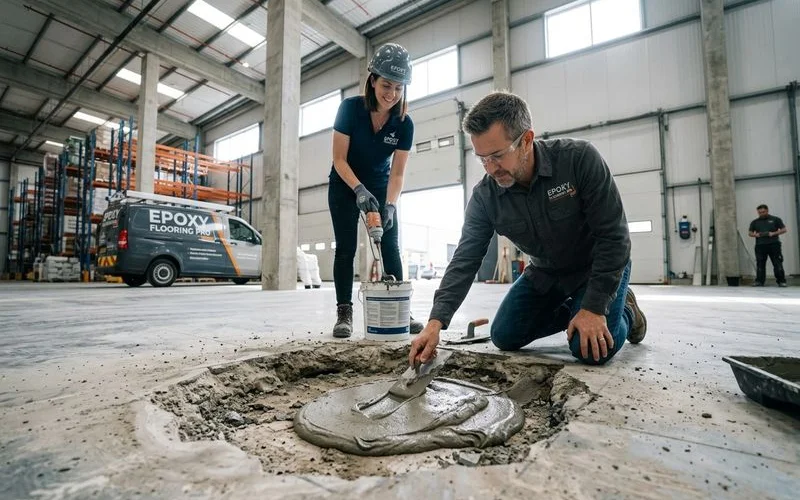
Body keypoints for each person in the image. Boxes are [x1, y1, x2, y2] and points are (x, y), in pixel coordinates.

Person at [409, 91, 647, 367]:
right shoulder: (485, 197)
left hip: (596, 267)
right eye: (482, 159)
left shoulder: (578, 159)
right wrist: (435, 323)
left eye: (497, 156)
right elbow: (465, 259)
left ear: (526, 140)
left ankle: (626, 311)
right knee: (504, 335)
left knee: (591, 350)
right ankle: (577, 312)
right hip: (547, 273)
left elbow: (614, 236)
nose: (490, 168)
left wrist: (594, 307)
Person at [328, 43, 424, 338]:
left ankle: (401, 309)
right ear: (372, 80)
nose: (391, 94)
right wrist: (358, 189)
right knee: (345, 248)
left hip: (381, 186)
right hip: (345, 182)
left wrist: (390, 204)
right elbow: (339, 159)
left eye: (398, 88)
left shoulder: (404, 124)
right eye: (386, 85)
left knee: (391, 244)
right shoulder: (350, 109)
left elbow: (397, 173)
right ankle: (344, 312)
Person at [748, 204, 788, 287]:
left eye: (763, 212)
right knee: (760, 264)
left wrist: (773, 233)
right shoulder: (755, 222)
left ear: (767, 211)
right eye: (759, 213)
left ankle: (781, 281)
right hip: (760, 245)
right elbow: (750, 233)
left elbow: (784, 229)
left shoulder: (775, 219)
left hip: (774, 244)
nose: (761, 214)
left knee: (777, 263)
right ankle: (759, 281)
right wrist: (756, 235)